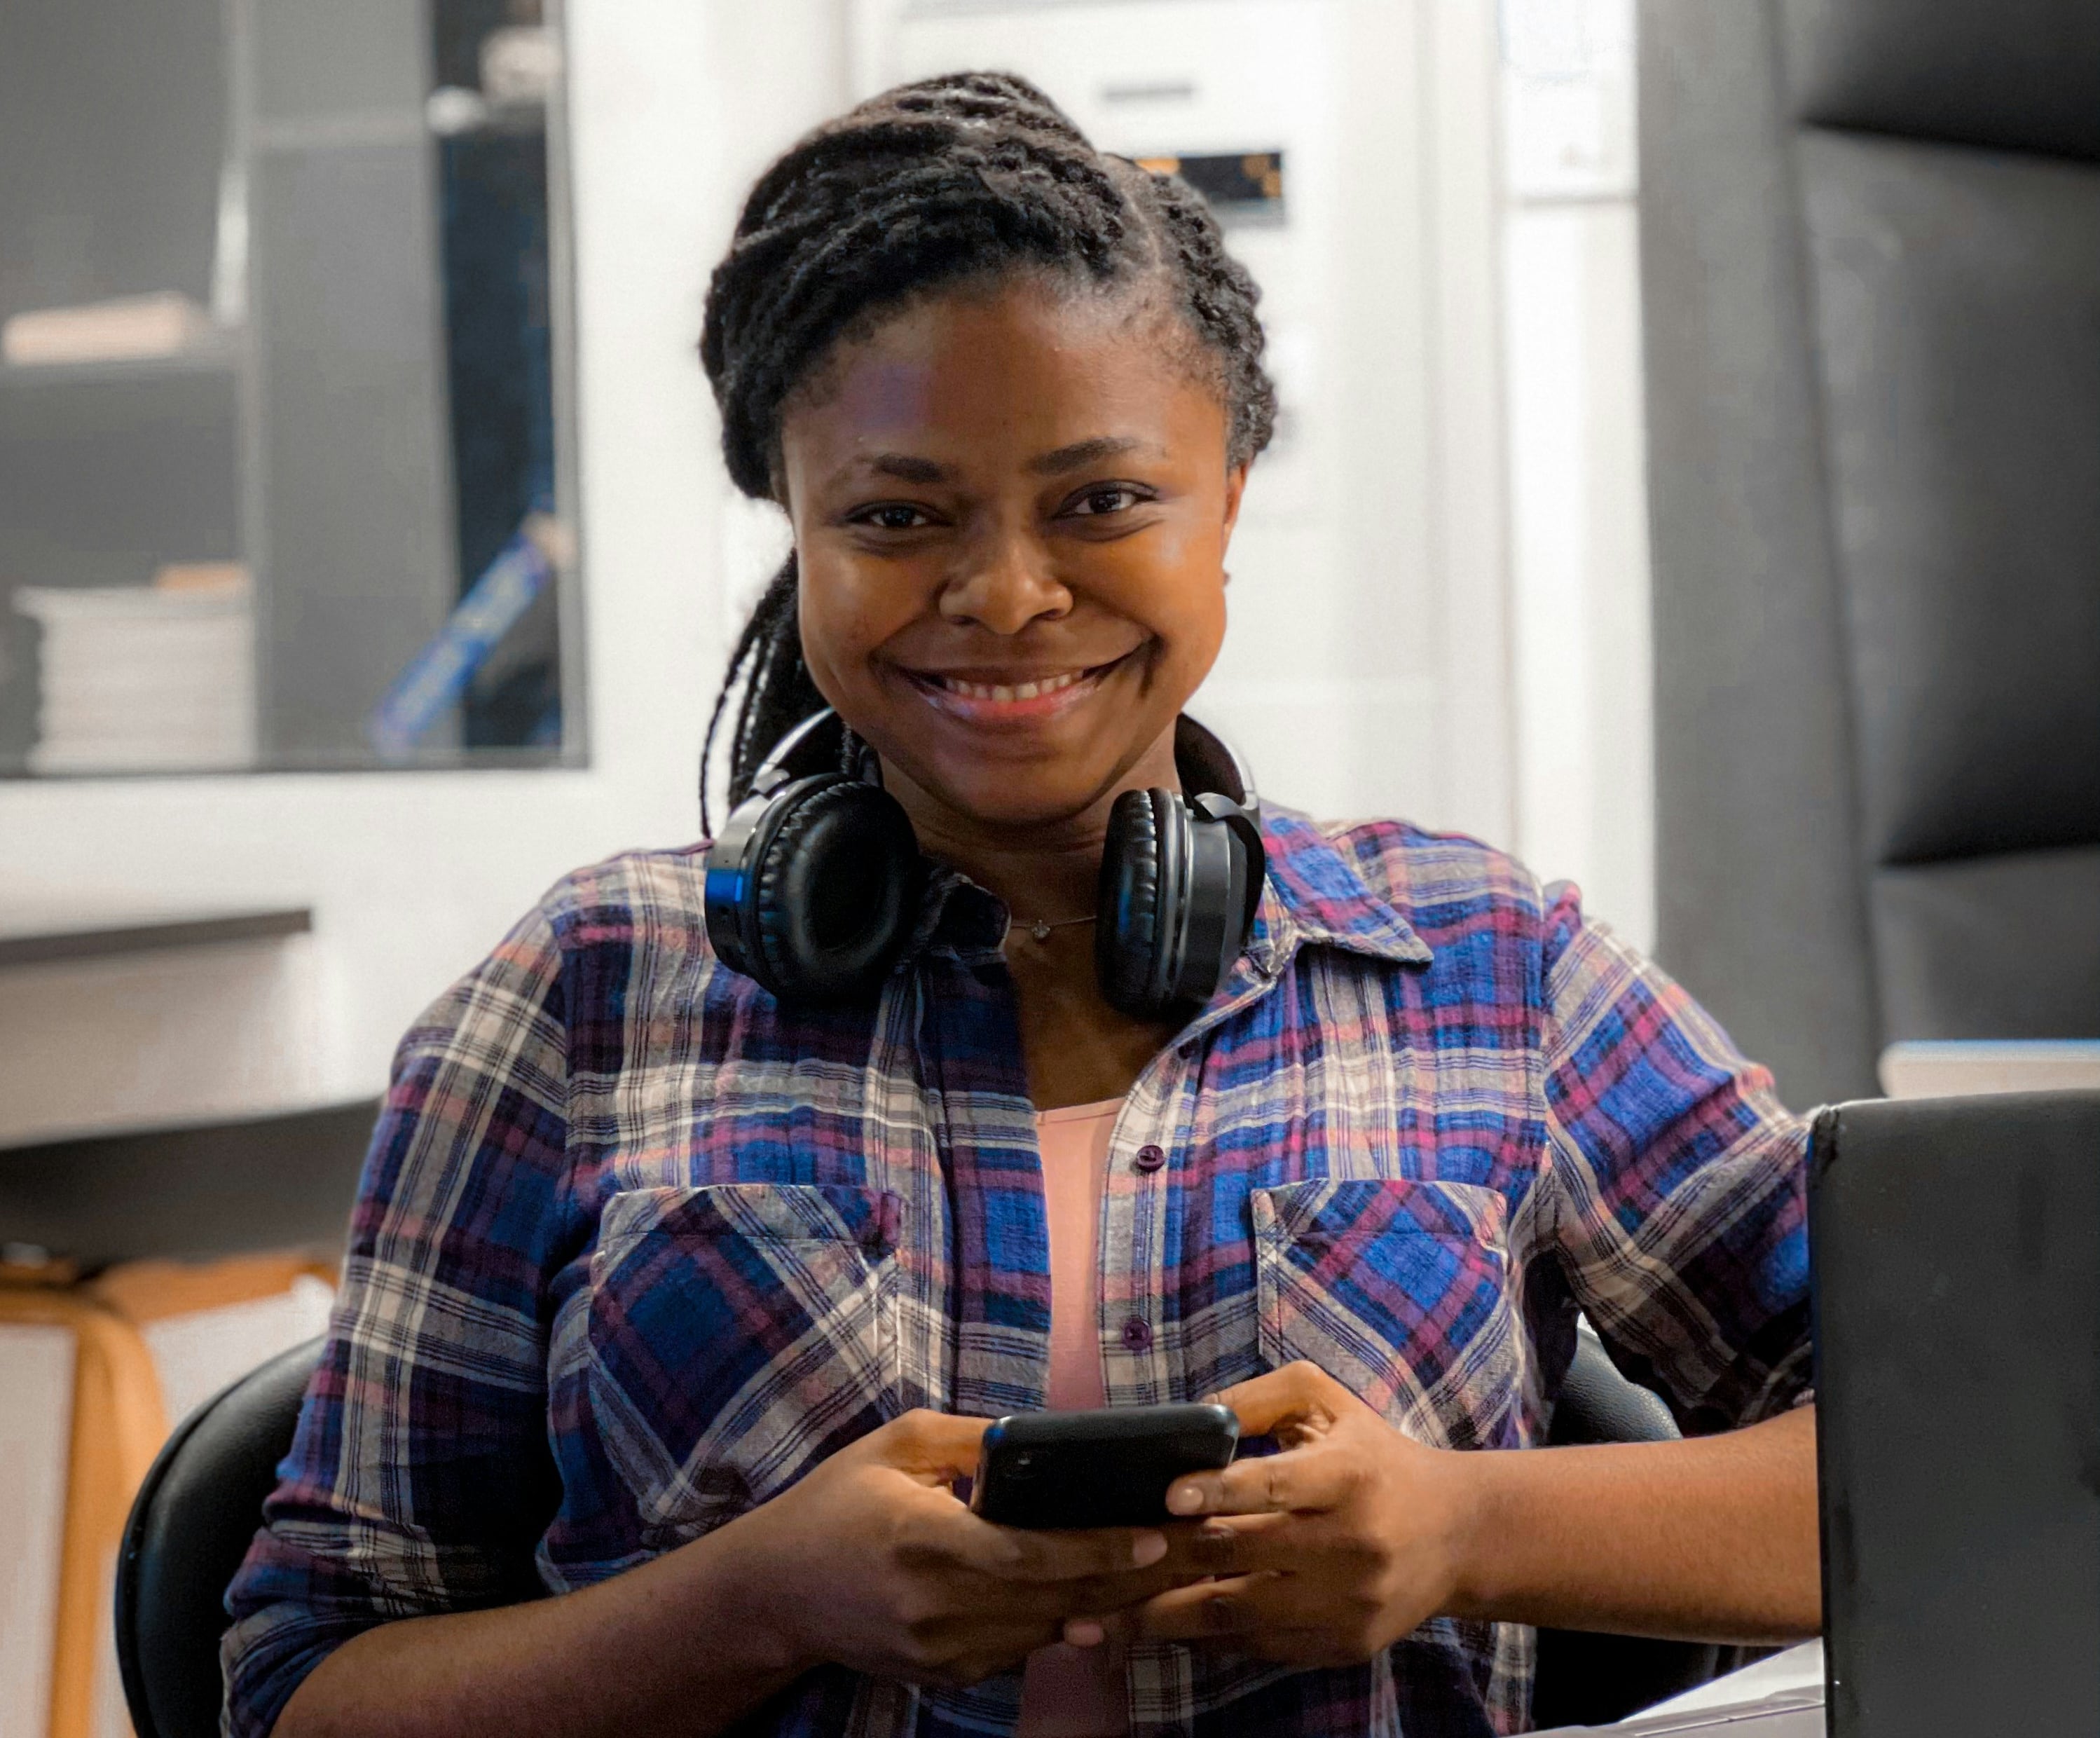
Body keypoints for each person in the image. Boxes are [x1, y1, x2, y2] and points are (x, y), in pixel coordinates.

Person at [225, 72, 1818, 1738]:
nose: (1003, 594)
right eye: (896, 515)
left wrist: (1470, 1528)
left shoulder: (1490, 964)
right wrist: (752, 1597)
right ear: (796, 527)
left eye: (1100, 500)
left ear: (1227, 502)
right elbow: (298, 1687)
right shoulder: (580, 993)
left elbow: (1967, 1435)